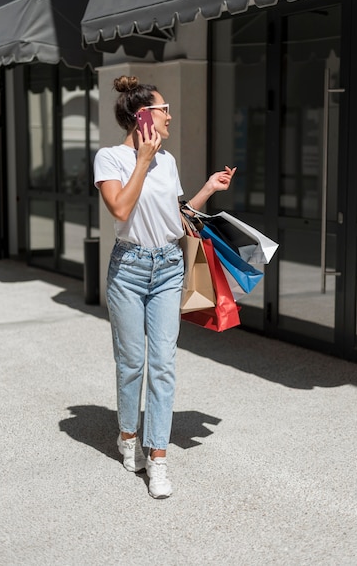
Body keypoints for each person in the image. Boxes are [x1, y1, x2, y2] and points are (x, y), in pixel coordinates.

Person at [94, 75, 236, 499]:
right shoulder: (110, 159)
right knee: (132, 362)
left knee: (163, 364)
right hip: (130, 269)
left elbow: (177, 220)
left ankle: (157, 459)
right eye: (163, 108)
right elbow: (120, 208)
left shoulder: (169, 162)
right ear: (143, 116)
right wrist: (141, 159)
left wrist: (208, 189)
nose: (170, 115)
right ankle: (126, 435)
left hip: (169, 265)